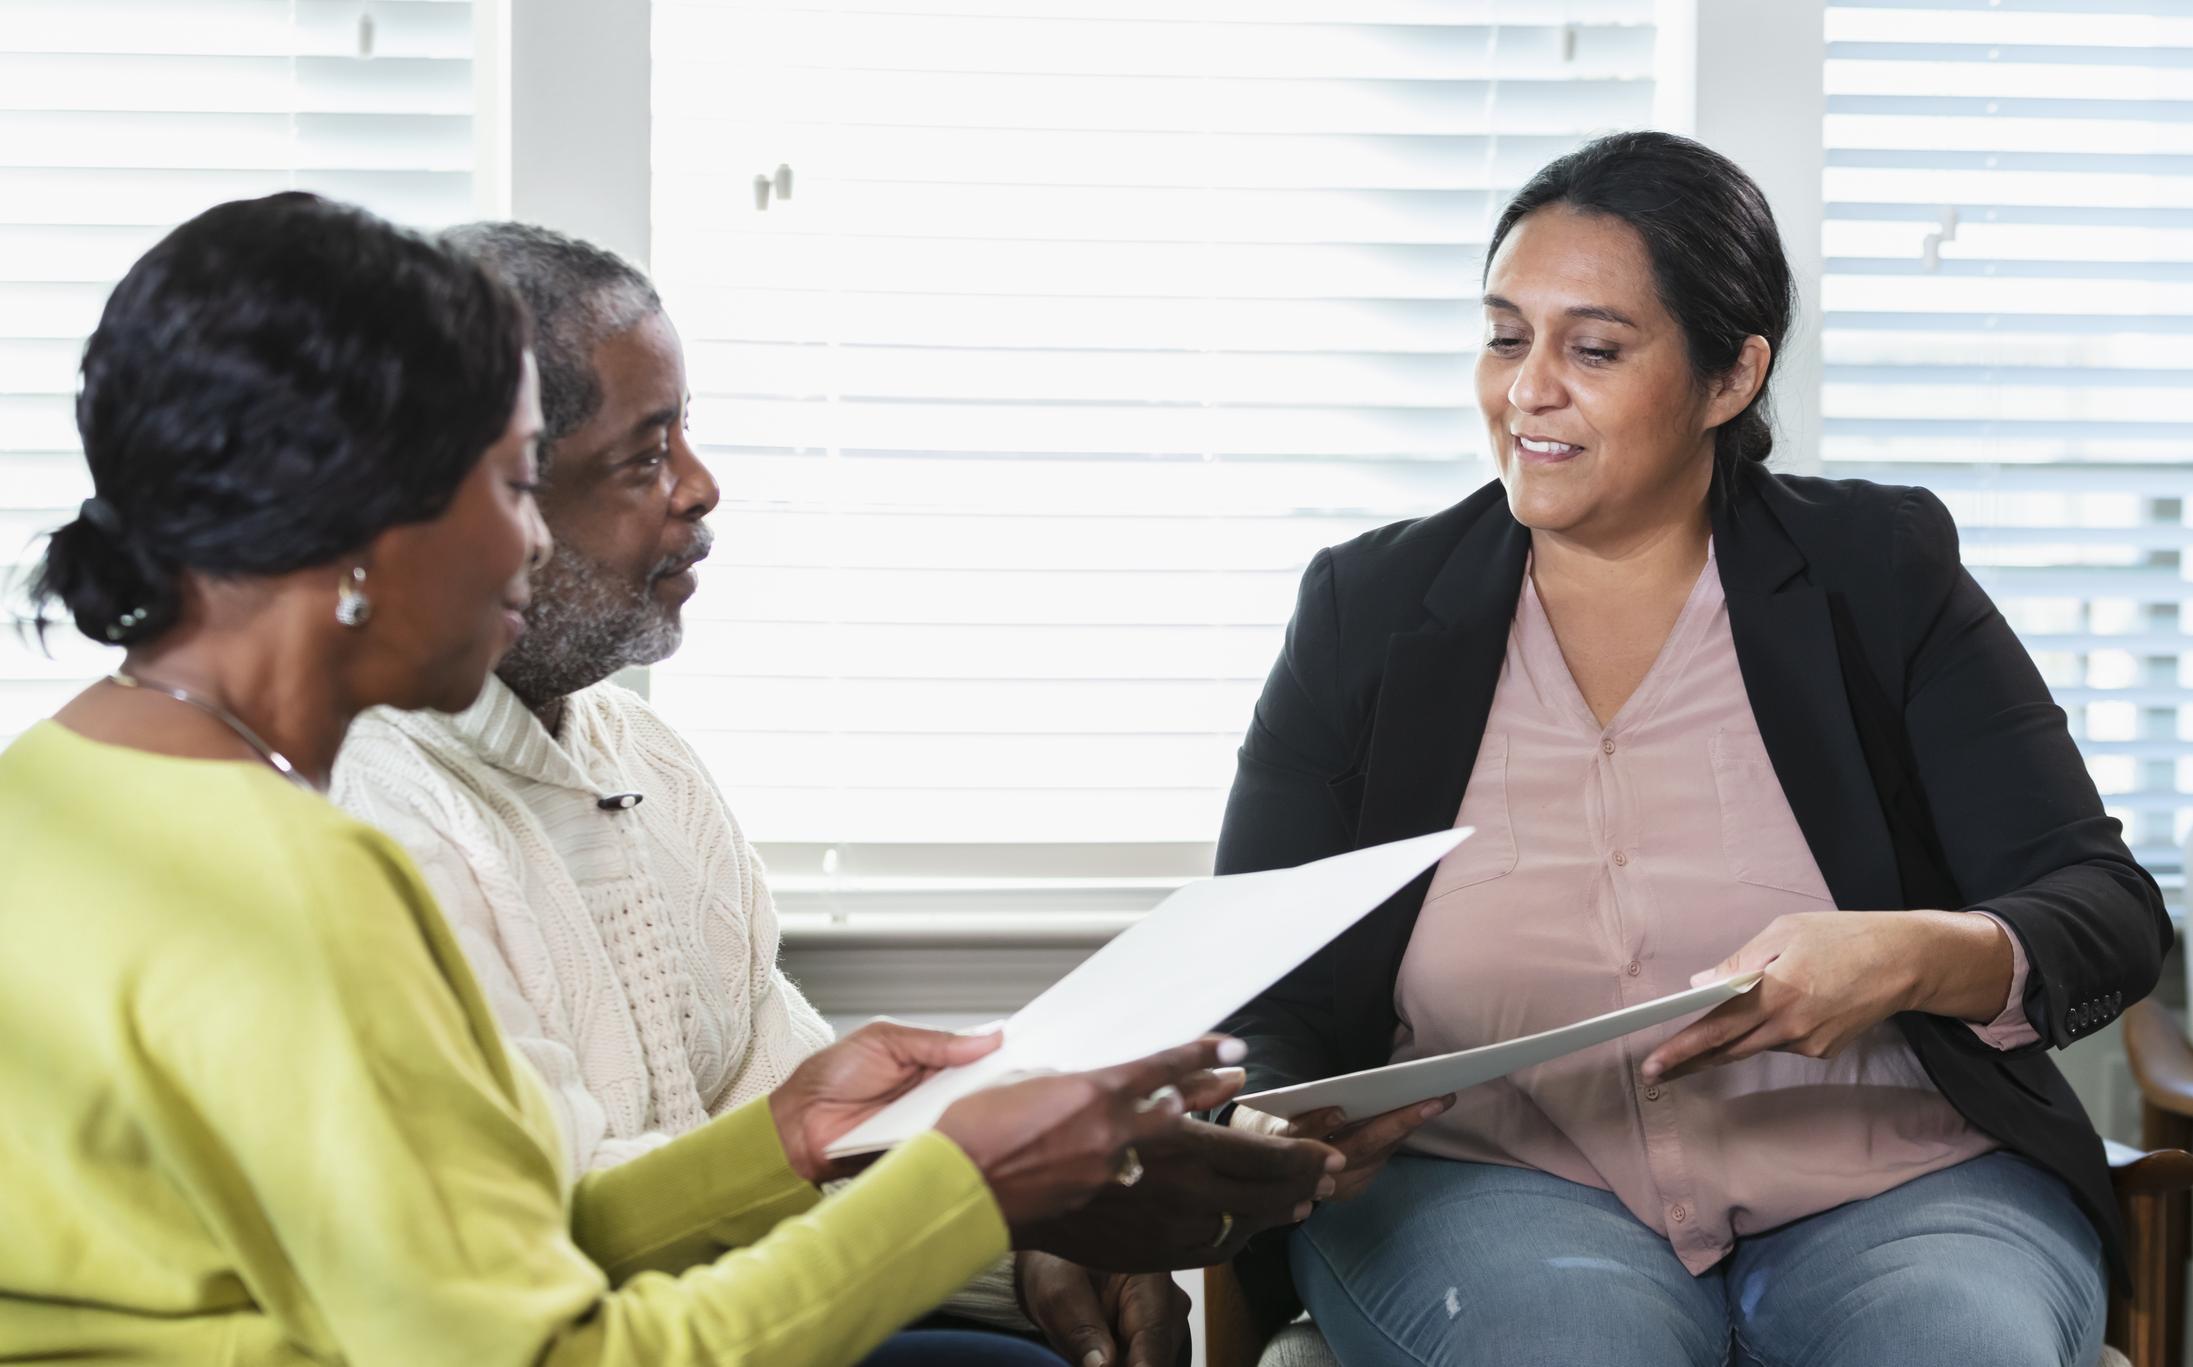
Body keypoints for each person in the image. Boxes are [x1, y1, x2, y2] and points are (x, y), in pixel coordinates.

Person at [0, 190, 1234, 1367]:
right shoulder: (304, 875)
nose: (530, 539)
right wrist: (965, 1187)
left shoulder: (54, 789)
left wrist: (784, 1142)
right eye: (512, 478)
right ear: (369, 523)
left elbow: (476, 1262)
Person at [1214, 131, 2170, 1367]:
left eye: (1593, 348)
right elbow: (1252, 988)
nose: (1526, 389)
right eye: (1507, 336)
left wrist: (1913, 952)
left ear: (1731, 377)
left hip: (1901, 1187)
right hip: (1490, 1186)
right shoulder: (1369, 611)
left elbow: (2105, 909)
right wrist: (1276, 1118)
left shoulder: (1879, 574)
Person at [329, 221, 1342, 1367]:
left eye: (688, 436)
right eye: (645, 454)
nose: (702, 488)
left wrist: (1037, 1244)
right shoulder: (370, 811)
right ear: (486, 494)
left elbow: (811, 1139)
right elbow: (543, 1234)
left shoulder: (645, 758)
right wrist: (986, 1197)